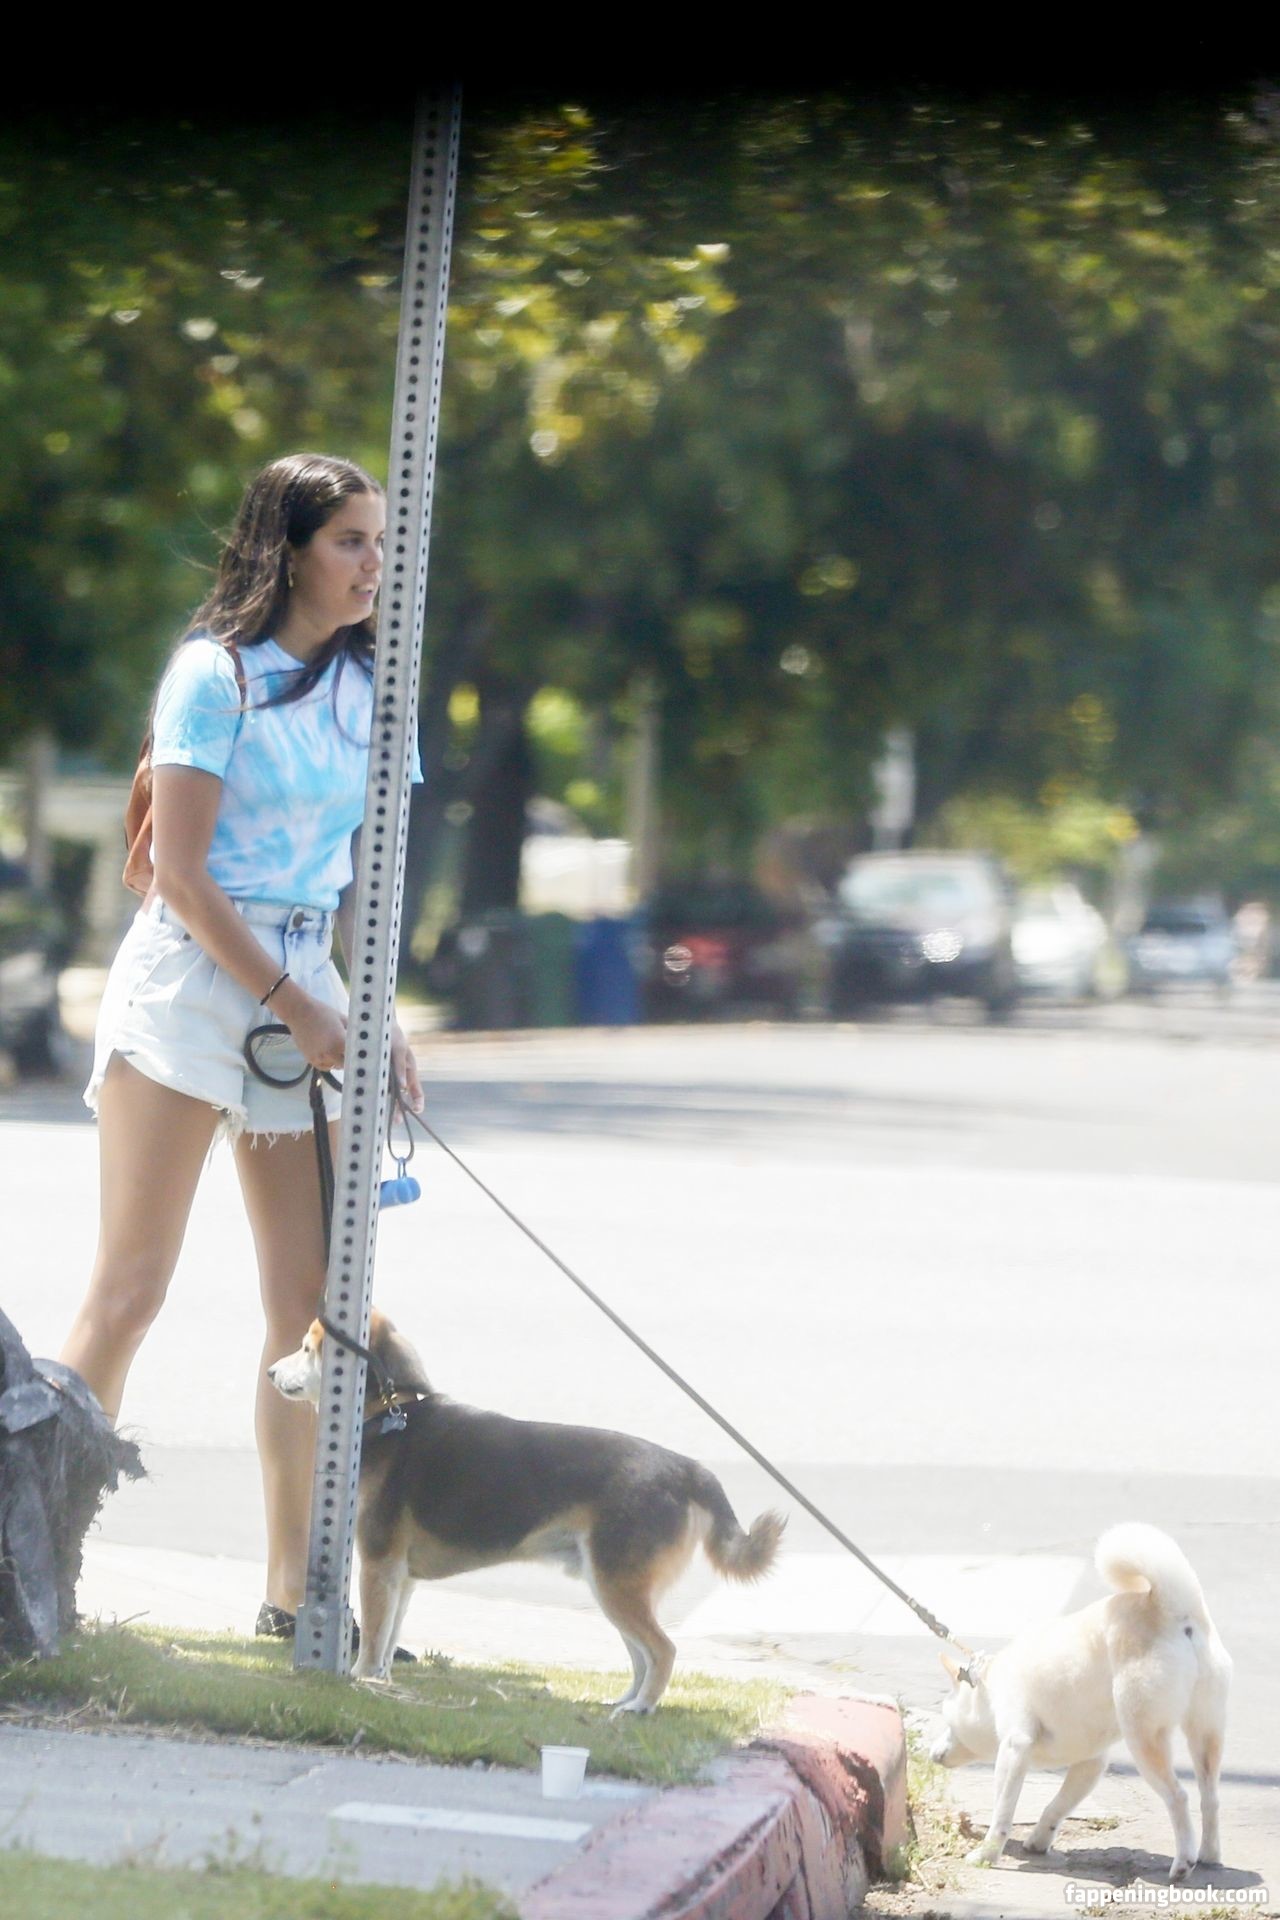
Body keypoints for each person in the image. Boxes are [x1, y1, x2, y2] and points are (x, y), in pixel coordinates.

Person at [60, 452, 424, 1644]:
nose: (374, 565)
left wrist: (374, 1014)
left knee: (313, 1315)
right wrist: (292, 1002)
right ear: (289, 549)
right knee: (130, 1291)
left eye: (382, 541)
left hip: (308, 979)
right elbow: (178, 872)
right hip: (190, 989)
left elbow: (366, 881)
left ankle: (295, 1597)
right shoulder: (211, 676)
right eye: (351, 541)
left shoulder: (375, 687)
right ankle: (31, 1563)